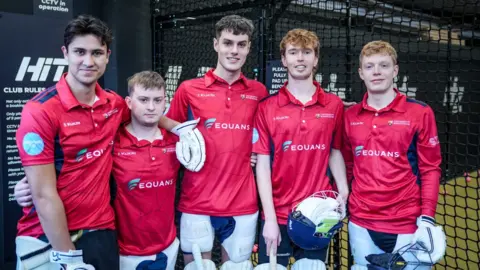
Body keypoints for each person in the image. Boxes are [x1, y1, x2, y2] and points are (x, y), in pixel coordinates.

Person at [14, 15, 203, 270]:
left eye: (97, 53)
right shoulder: (40, 111)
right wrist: (67, 257)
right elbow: (43, 194)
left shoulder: (113, 105)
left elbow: (147, 116)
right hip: (47, 238)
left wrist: (179, 129)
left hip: (101, 232)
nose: (88, 61)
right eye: (80, 51)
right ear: (65, 53)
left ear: (107, 56)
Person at [166, 15, 268, 269]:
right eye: (228, 43)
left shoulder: (259, 92)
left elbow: (267, 137)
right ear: (215, 44)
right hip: (197, 201)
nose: (234, 50)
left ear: (248, 48)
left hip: (243, 202)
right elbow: (169, 131)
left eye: (241, 44)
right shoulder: (188, 89)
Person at [342, 40, 444, 270]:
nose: (376, 72)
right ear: (361, 73)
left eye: (383, 65)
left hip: (408, 225)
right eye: (369, 66)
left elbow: (430, 169)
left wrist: (427, 217)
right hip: (361, 223)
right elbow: (348, 166)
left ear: (395, 70)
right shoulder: (350, 117)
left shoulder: (420, 112)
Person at [252, 29, 348, 270]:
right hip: (278, 215)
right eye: (293, 52)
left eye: (307, 52)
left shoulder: (334, 105)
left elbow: (335, 152)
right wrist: (270, 219)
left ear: (316, 59)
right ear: (284, 60)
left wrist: (343, 192)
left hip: (318, 213)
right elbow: (262, 165)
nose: (300, 59)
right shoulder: (266, 107)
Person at [113, 71, 180, 270]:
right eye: (143, 100)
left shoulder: (177, 142)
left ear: (165, 102)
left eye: (157, 100)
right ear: (129, 102)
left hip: (167, 247)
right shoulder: (113, 143)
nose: (151, 107)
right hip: (125, 252)